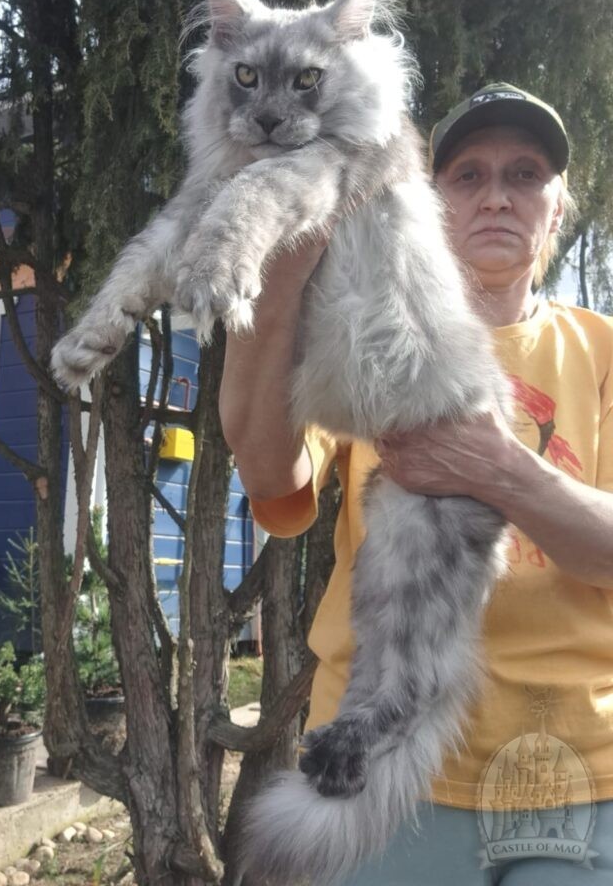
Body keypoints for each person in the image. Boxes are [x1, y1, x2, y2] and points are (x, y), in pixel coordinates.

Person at [219, 83, 613, 885]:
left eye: (525, 174)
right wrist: (282, 270)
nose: (496, 196)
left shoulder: (601, 349)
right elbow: (270, 478)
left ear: (557, 210)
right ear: (426, 207)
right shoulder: (366, 337)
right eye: (467, 175)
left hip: (576, 770)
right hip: (376, 761)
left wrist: (500, 470)